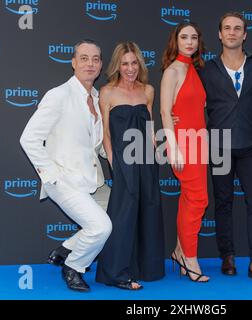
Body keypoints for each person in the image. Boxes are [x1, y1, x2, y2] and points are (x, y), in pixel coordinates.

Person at [20, 39, 112, 292]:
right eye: (84, 58)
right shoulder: (59, 95)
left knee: (118, 207)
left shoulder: (96, 96)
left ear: (101, 64)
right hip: (65, 180)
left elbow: (96, 144)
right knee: (101, 226)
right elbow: (28, 138)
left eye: (95, 58)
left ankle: (66, 247)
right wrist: (51, 176)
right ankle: (73, 266)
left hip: (92, 179)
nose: (90, 63)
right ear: (73, 63)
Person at [195, 12, 252, 286]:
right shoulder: (206, 68)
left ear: (245, 34)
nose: (232, 32)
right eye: (227, 28)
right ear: (219, 34)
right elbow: (192, 103)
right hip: (219, 146)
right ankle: (227, 256)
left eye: (237, 28)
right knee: (224, 203)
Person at [95, 42, 165, 290]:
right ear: (117, 66)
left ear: (140, 64)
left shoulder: (148, 90)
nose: (130, 68)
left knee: (148, 210)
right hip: (123, 161)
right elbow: (105, 133)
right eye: (125, 63)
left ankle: (148, 268)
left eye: (134, 63)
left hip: (146, 159)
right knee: (122, 216)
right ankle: (116, 273)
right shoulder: (107, 92)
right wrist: (114, 163)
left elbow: (149, 125)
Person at [160, 22, 209, 282]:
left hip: (199, 142)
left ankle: (180, 251)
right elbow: (164, 111)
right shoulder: (173, 71)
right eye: (184, 37)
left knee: (189, 200)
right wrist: (174, 147)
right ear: (175, 41)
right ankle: (190, 259)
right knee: (199, 199)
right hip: (183, 144)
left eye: (194, 37)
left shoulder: (192, 69)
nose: (189, 42)